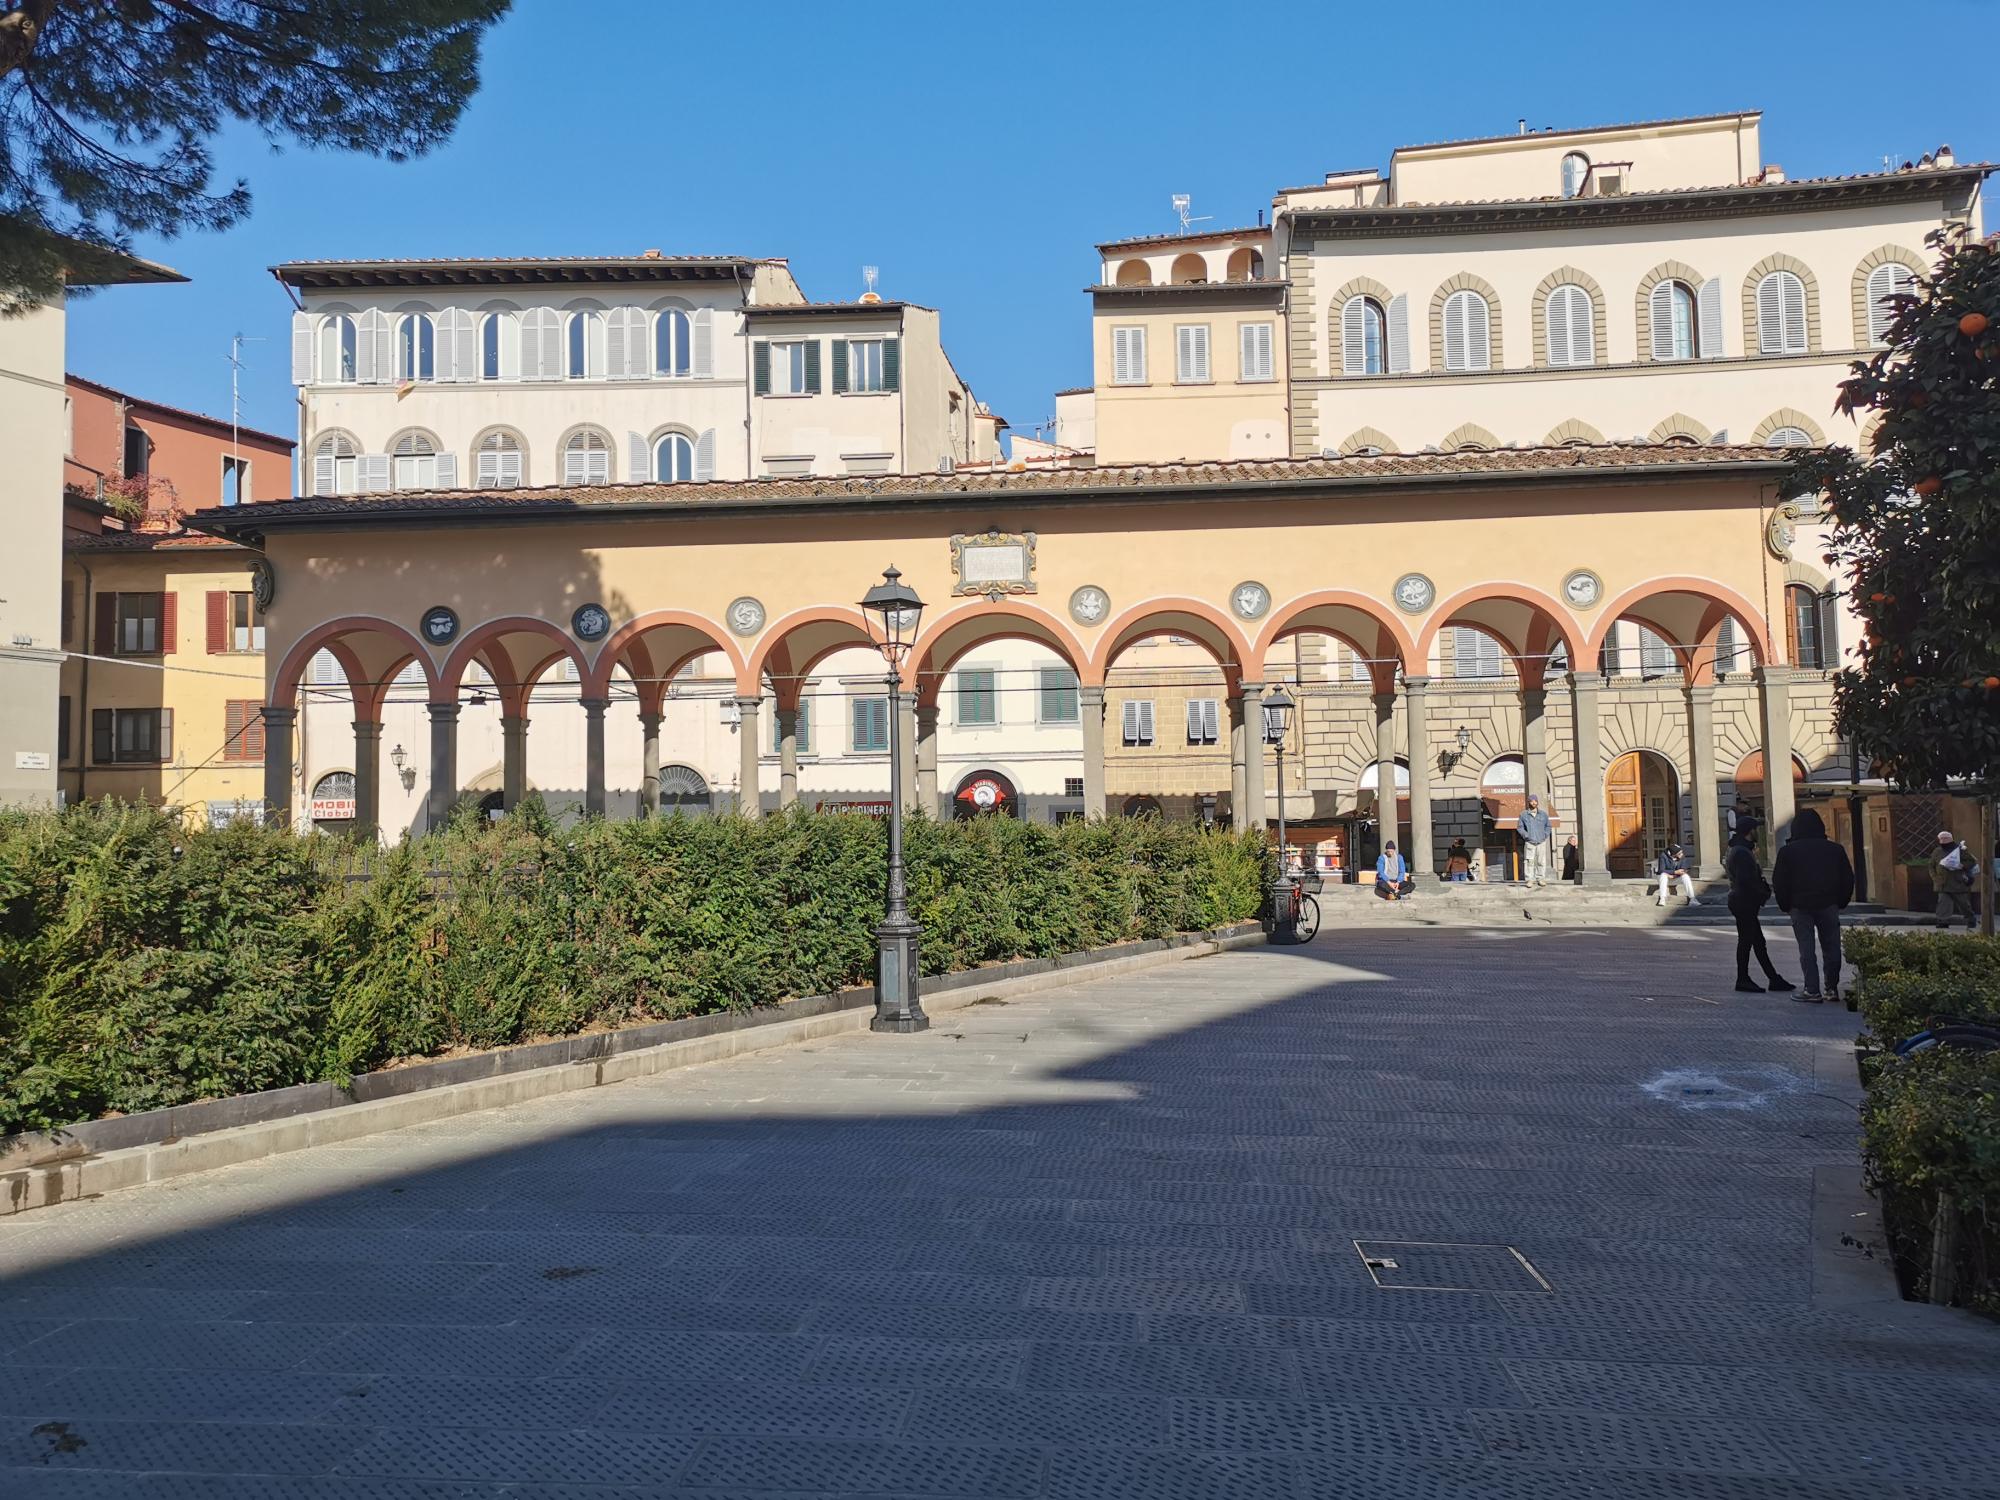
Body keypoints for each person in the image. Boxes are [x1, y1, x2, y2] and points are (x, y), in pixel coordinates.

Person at [1771, 807, 1854, 1003]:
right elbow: (1847, 878)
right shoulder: (1835, 850)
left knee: (1806, 949)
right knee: (1832, 947)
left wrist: (1785, 904)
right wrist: (1841, 901)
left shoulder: (1788, 852)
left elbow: (1780, 881)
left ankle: (1812, 989)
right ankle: (1831, 989)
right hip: (1829, 904)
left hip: (1800, 905)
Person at [1724, 829, 1792, 994]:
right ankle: (1743, 979)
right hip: (1744, 902)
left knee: (1757, 942)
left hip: (1742, 901)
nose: (1756, 832)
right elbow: (1746, 880)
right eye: (1754, 829)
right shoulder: (1742, 852)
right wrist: (1761, 893)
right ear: (1749, 831)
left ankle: (1773, 978)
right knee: (1747, 941)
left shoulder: (1739, 850)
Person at [1933, 830, 1977, 931]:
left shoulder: (1960, 850)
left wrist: (1962, 865)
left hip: (1957, 882)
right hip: (1942, 883)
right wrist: (1935, 877)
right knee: (1943, 903)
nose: (1944, 840)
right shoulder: (1937, 851)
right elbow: (1931, 865)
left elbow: (1972, 861)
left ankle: (1970, 919)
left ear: (1951, 839)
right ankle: (1942, 921)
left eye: (1946, 838)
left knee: (1963, 904)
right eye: (1941, 839)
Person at [1518, 794, 1553, 888]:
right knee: (1529, 861)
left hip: (1541, 841)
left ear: (1537, 802)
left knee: (1541, 861)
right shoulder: (1523, 814)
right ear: (1528, 802)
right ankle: (1529, 879)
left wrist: (1545, 835)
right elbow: (1520, 828)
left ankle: (1540, 878)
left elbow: (1548, 826)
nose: (1534, 803)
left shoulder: (1543, 814)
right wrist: (1526, 836)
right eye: (1531, 801)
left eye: (1535, 801)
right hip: (1530, 842)